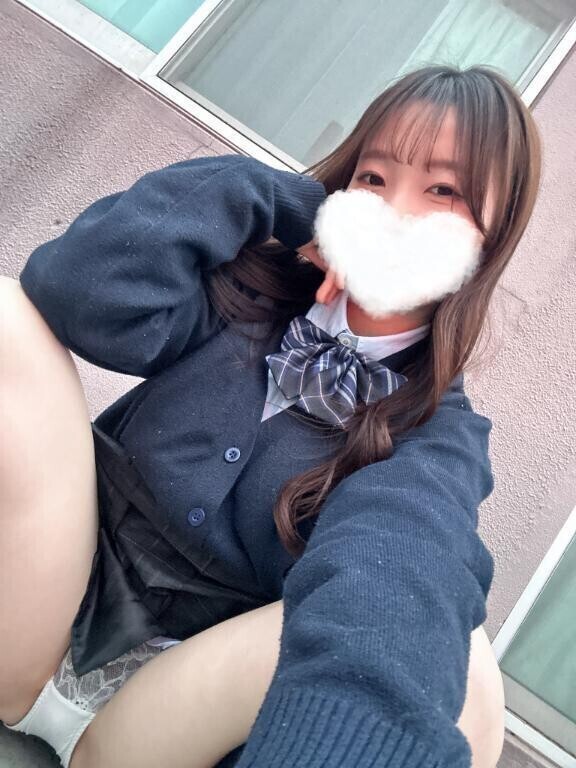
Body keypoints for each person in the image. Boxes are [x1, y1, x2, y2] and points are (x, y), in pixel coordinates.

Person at [0, 63, 540, 768]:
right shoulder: (247, 290)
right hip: (38, 597)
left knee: (467, 670)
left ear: (492, 239)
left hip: (162, 719)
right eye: (373, 179)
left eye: (443, 191)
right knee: (7, 316)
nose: (394, 213)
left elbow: (404, 569)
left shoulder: (437, 435)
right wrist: (275, 200)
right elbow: (78, 294)